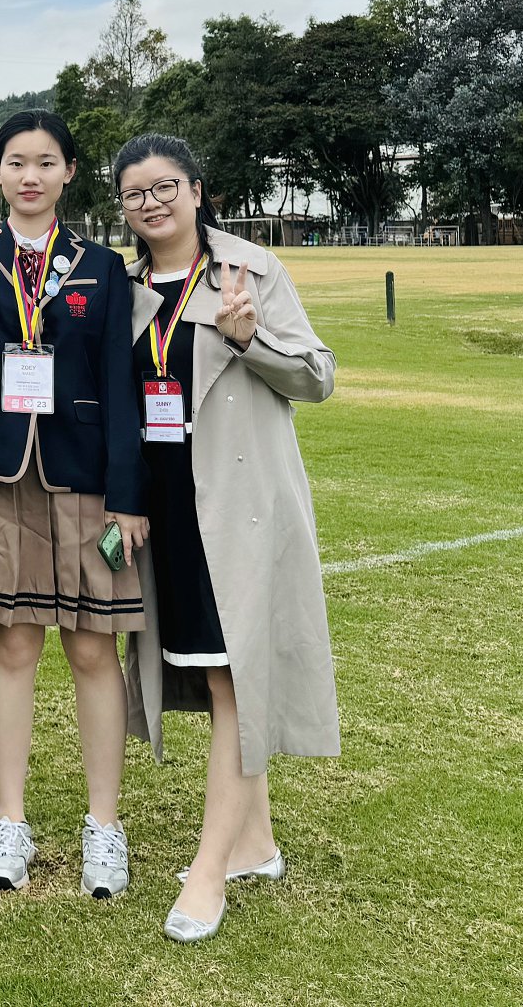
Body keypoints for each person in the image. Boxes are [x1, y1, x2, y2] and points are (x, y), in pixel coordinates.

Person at [111, 132, 339, 944]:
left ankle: (210, 871)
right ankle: (257, 843)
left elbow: (317, 375)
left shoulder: (252, 269)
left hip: (238, 501)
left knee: (235, 676)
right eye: (135, 192)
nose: (151, 202)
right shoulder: (128, 287)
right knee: (212, 674)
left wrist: (249, 337)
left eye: (165, 185)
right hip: (169, 502)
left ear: (198, 189)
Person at [0, 110, 149, 899]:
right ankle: (10, 822)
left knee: (92, 649)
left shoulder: (102, 266)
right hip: (1, 471)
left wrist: (128, 495)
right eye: (15, 161)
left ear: (68, 173)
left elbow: (122, 386)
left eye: (45, 161)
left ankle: (103, 827)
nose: (29, 174)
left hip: (84, 475)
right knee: (13, 646)